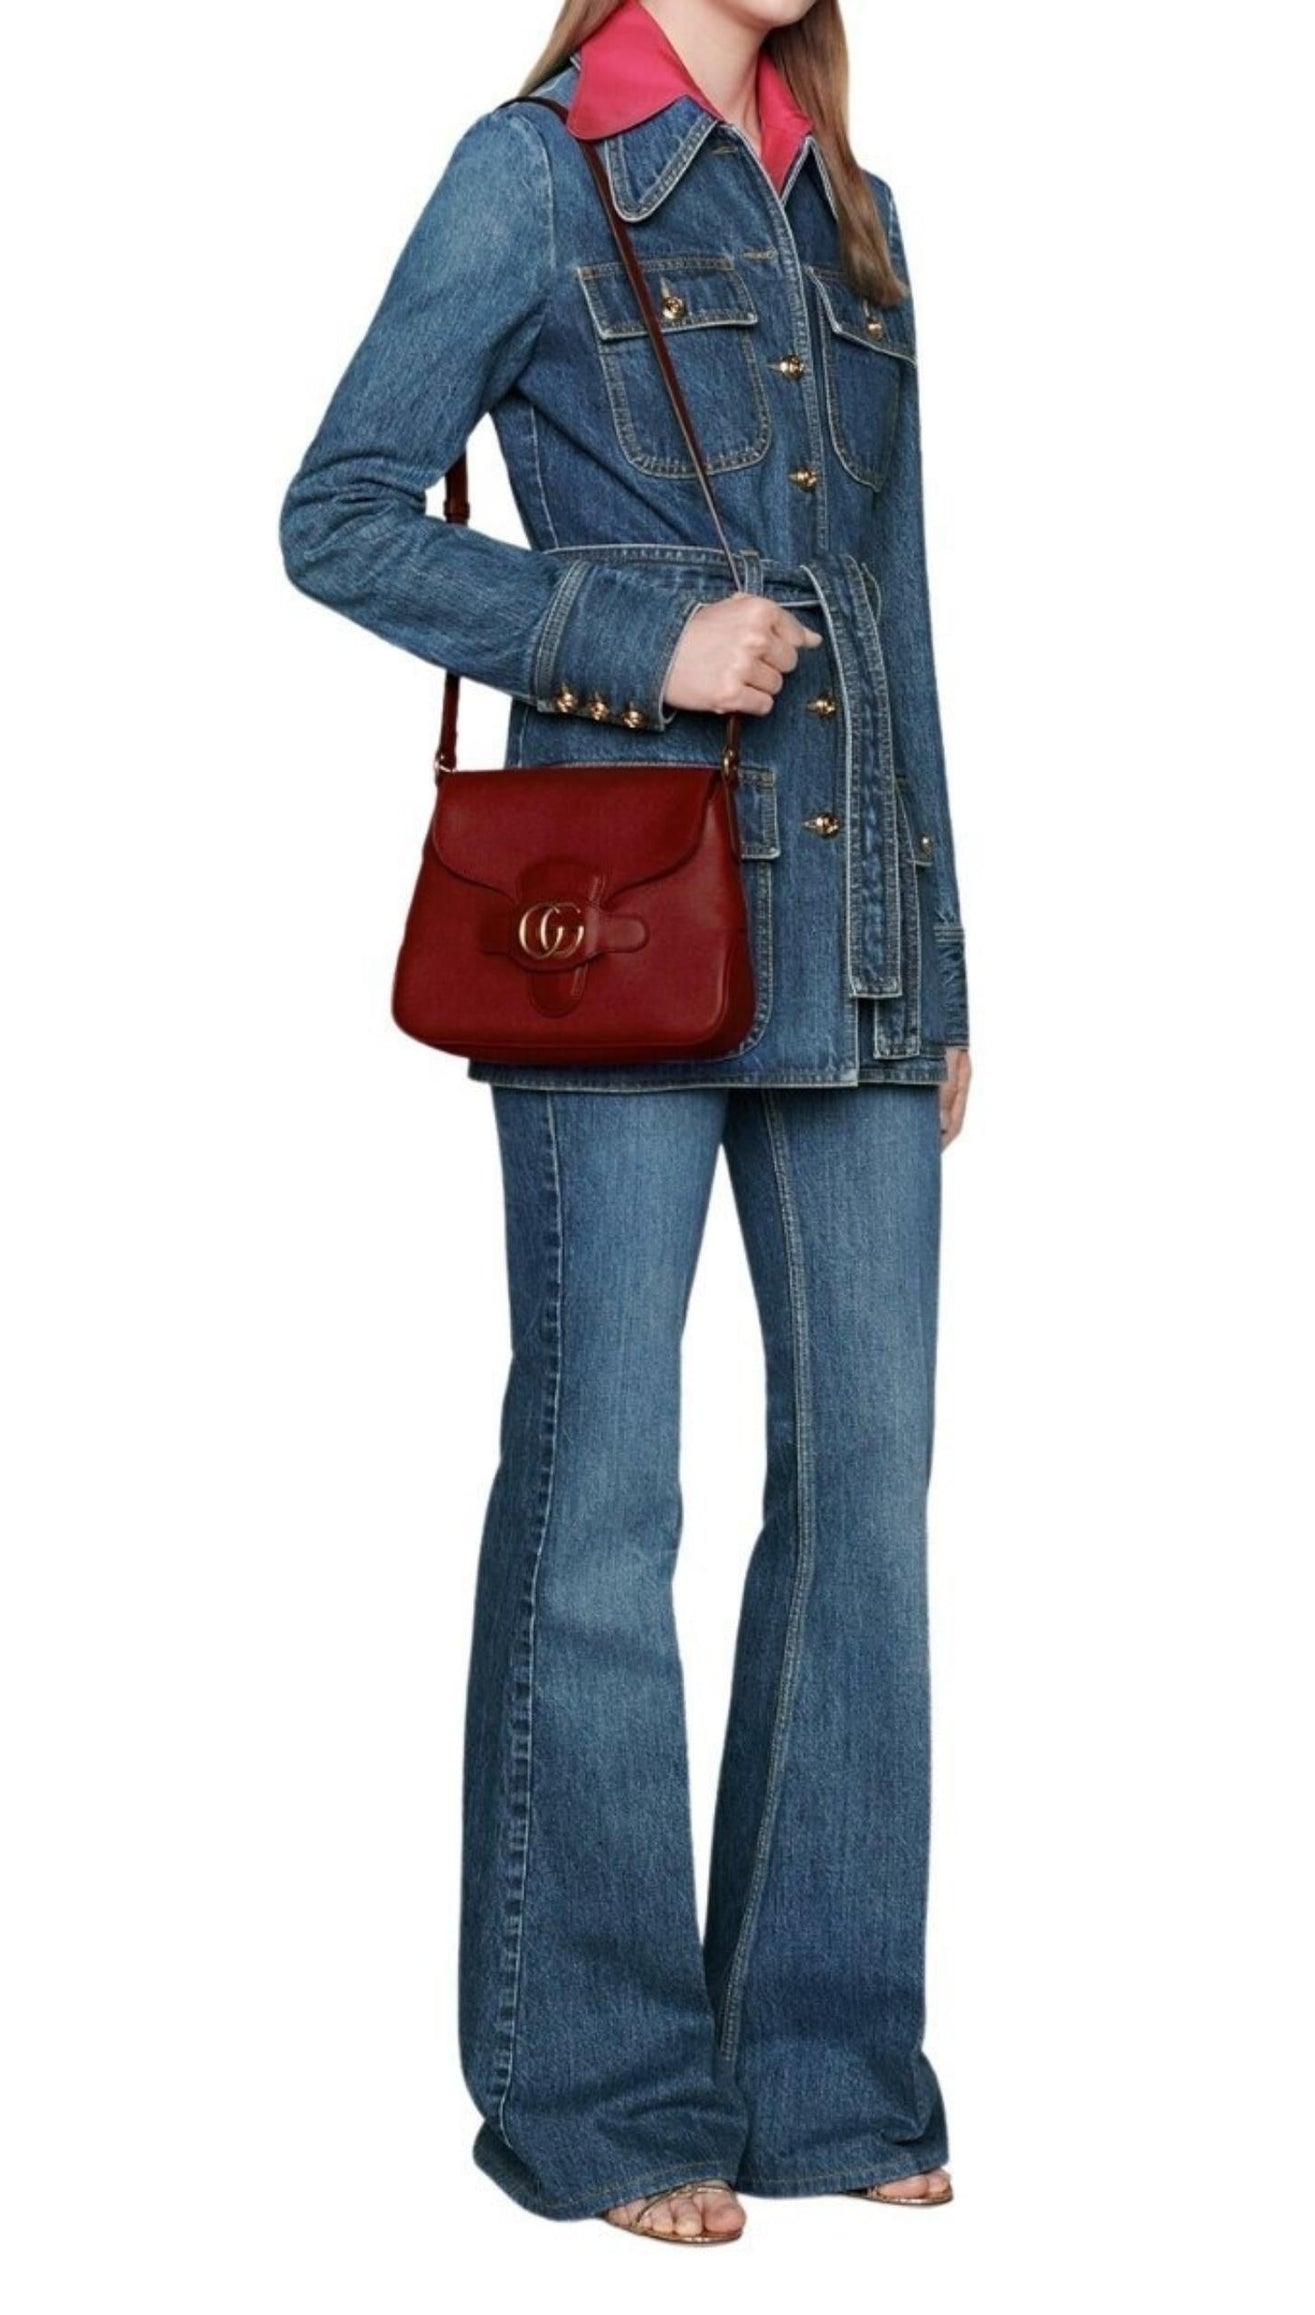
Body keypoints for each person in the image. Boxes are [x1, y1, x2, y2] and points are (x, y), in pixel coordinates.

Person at [279, 0, 972, 2247]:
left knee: (865, 1506)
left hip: (853, 937)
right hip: (623, 930)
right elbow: (336, 518)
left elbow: (897, 614)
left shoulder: (849, 209)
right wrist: (631, 637)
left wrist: (944, 969)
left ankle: (824, 2078)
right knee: (605, 1502)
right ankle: (596, 2095)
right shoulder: (535, 170)